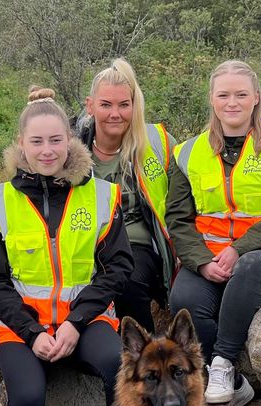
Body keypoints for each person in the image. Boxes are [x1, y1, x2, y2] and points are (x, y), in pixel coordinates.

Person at [0, 87, 134, 406]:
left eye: (55, 140)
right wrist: (32, 335)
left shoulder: (101, 196)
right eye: (37, 142)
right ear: (21, 143)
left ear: (70, 140)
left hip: (87, 323)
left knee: (119, 369)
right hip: (21, 329)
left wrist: (75, 323)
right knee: (29, 398)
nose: (47, 151)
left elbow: (118, 268)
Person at [166, 59, 261, 406]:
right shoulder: (186, 153)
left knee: (250, 267)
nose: (233, 102)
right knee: (184, 301)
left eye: (241, 94)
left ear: (256, 98)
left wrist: (240, 249)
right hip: (211, 259)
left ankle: (222, 363)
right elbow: (178, 219)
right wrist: (201, 263)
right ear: (212, 100)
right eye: (224, 95)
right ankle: (238, 384)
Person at [77, 58, 176, 333]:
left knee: (126, 280)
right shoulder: (70, 149)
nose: (115, 113)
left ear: (134, 106)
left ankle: (144, 361)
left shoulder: (157, 144)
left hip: (139, 247)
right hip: (86, 246)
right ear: (90, 105)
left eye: (124, 105)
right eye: (106, 105)